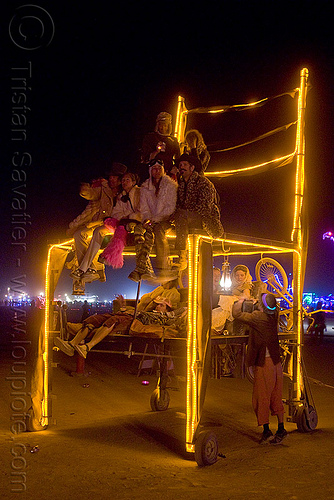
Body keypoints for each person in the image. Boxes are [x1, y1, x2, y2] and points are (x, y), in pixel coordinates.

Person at [54, 281, 182, 358]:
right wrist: (123, 306)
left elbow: (180, 312)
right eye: (157, 304)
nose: (157, 306)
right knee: (94, 318)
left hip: (132, 319)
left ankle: (87, 347)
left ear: (167, 309)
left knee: (112, 321)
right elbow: (132, 310)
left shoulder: (163, 317)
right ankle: (72, 344)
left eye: (161, 305)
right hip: (128, 314)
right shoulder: (148, 310)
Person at [232, 293, 287, 444]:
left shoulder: (257, 317)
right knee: (276, 395)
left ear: (262, 306)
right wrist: (260, 301)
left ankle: (267, 431)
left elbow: (236, 314)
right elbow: (271, 306)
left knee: (261, 397)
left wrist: (241, 299)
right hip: (276, 363)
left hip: (265, 363)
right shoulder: (273, 315)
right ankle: (281, 429)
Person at [68, 162, 127, 283]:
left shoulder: (126, 192)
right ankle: (90, 269)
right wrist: (84, 189)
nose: (111, 179)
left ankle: (83, 268)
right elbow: (92, 194)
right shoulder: (103, 188)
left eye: (114, 177)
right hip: (100, 222)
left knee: (98, 232)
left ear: (120, 180)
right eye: (110, 176)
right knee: (78, 234)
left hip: (116, 224)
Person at [128, 158, 178, 282]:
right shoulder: (145, 188)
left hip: (167, 219)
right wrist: (147, 219)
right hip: (152, 219)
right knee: (139, 230)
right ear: (150, 171)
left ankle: (163, 268)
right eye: (154, 169)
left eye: (158, 169)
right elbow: (144, 209)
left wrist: (155, 219)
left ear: (162, 170)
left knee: (157, 231)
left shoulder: (170, 186)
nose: (156, 171)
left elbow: (170, 208)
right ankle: (143, 267)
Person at [172, 153, 224, 270]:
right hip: (185, 218)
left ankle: (181, 256)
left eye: (185, 164)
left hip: (204, 218)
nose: (182, 167)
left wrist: (184, 212)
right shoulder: (180, 185)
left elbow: (204, 207)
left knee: (180, 214)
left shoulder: (204, 183)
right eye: (180, 165)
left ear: (192, 167)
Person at [98, 172, 141, 270]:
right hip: (124, 220)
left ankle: (109, 255)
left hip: (137, 220)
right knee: (109, 222)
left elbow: (142, 210)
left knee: (121, 229)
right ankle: (110, 255)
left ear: (134, 182)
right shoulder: (121, 196)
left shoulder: (140, 193)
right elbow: (115, 212)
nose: (124, 182)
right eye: (123, 180)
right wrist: (124, 217)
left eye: (127, 180)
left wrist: (130, 217)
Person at [212, 264, 254, 333]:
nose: (239, 278)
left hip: (233, 302)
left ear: (245, 276)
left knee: (220, 302)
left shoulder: (245, 285)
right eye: (237, 275)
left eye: (242, 275)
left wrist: (234, 297)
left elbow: (246, 296)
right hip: (226, 300)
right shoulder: (231, 285)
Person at [141, 112, 180, 180]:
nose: (163, 128)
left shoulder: (173, 141)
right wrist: (156, 151)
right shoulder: (150, 138)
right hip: (152, 171)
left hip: (168, 171)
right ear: (157, 125)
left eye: (165, 125)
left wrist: (175, 167)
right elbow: (145, 157)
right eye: (161, 125)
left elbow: (178, 157)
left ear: (168, 126)